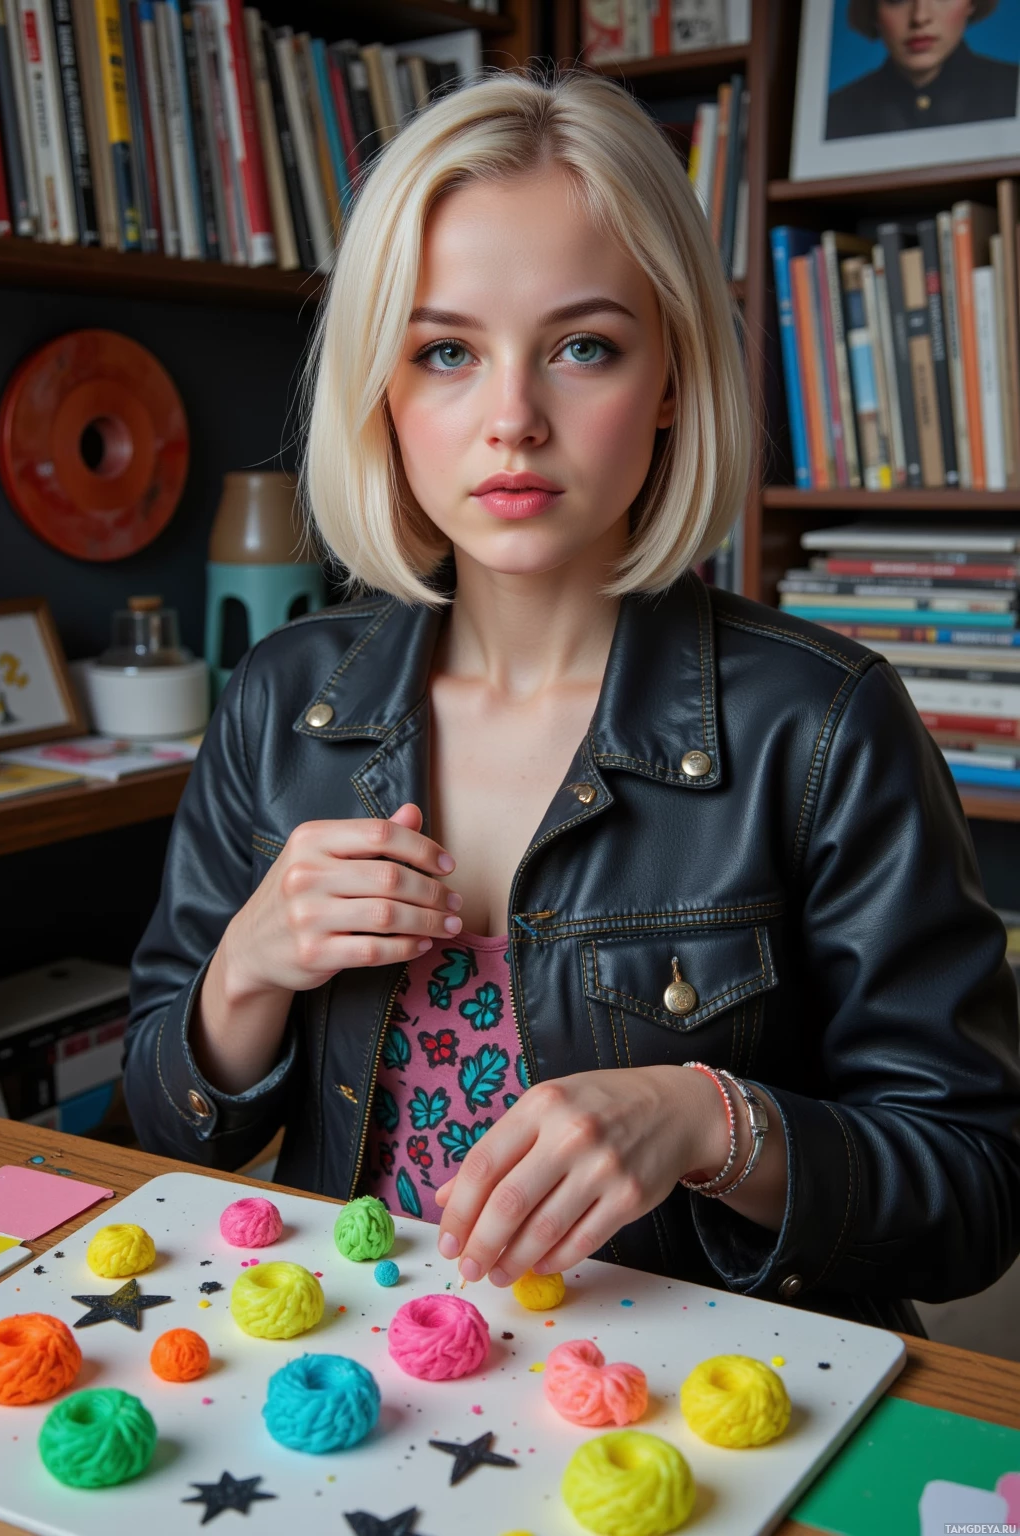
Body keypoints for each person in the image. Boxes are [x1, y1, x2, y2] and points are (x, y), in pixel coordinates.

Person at [124, 67, 1020, 1334]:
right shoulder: (280, 698)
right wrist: (246, 971)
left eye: (582, 347)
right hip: (358, 1391)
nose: (511, 420)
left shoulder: (824, 726)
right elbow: (162, 1134)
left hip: (699, 1422)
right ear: (383, 391)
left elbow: (977, 1192)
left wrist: (711, 1123)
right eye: (445, 352)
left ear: (668, 380)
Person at [826, 0, 1019, 139]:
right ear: (873, 10)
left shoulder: (1014, 88)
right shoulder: (833, 115)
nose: (919, 17)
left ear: (971, 4)